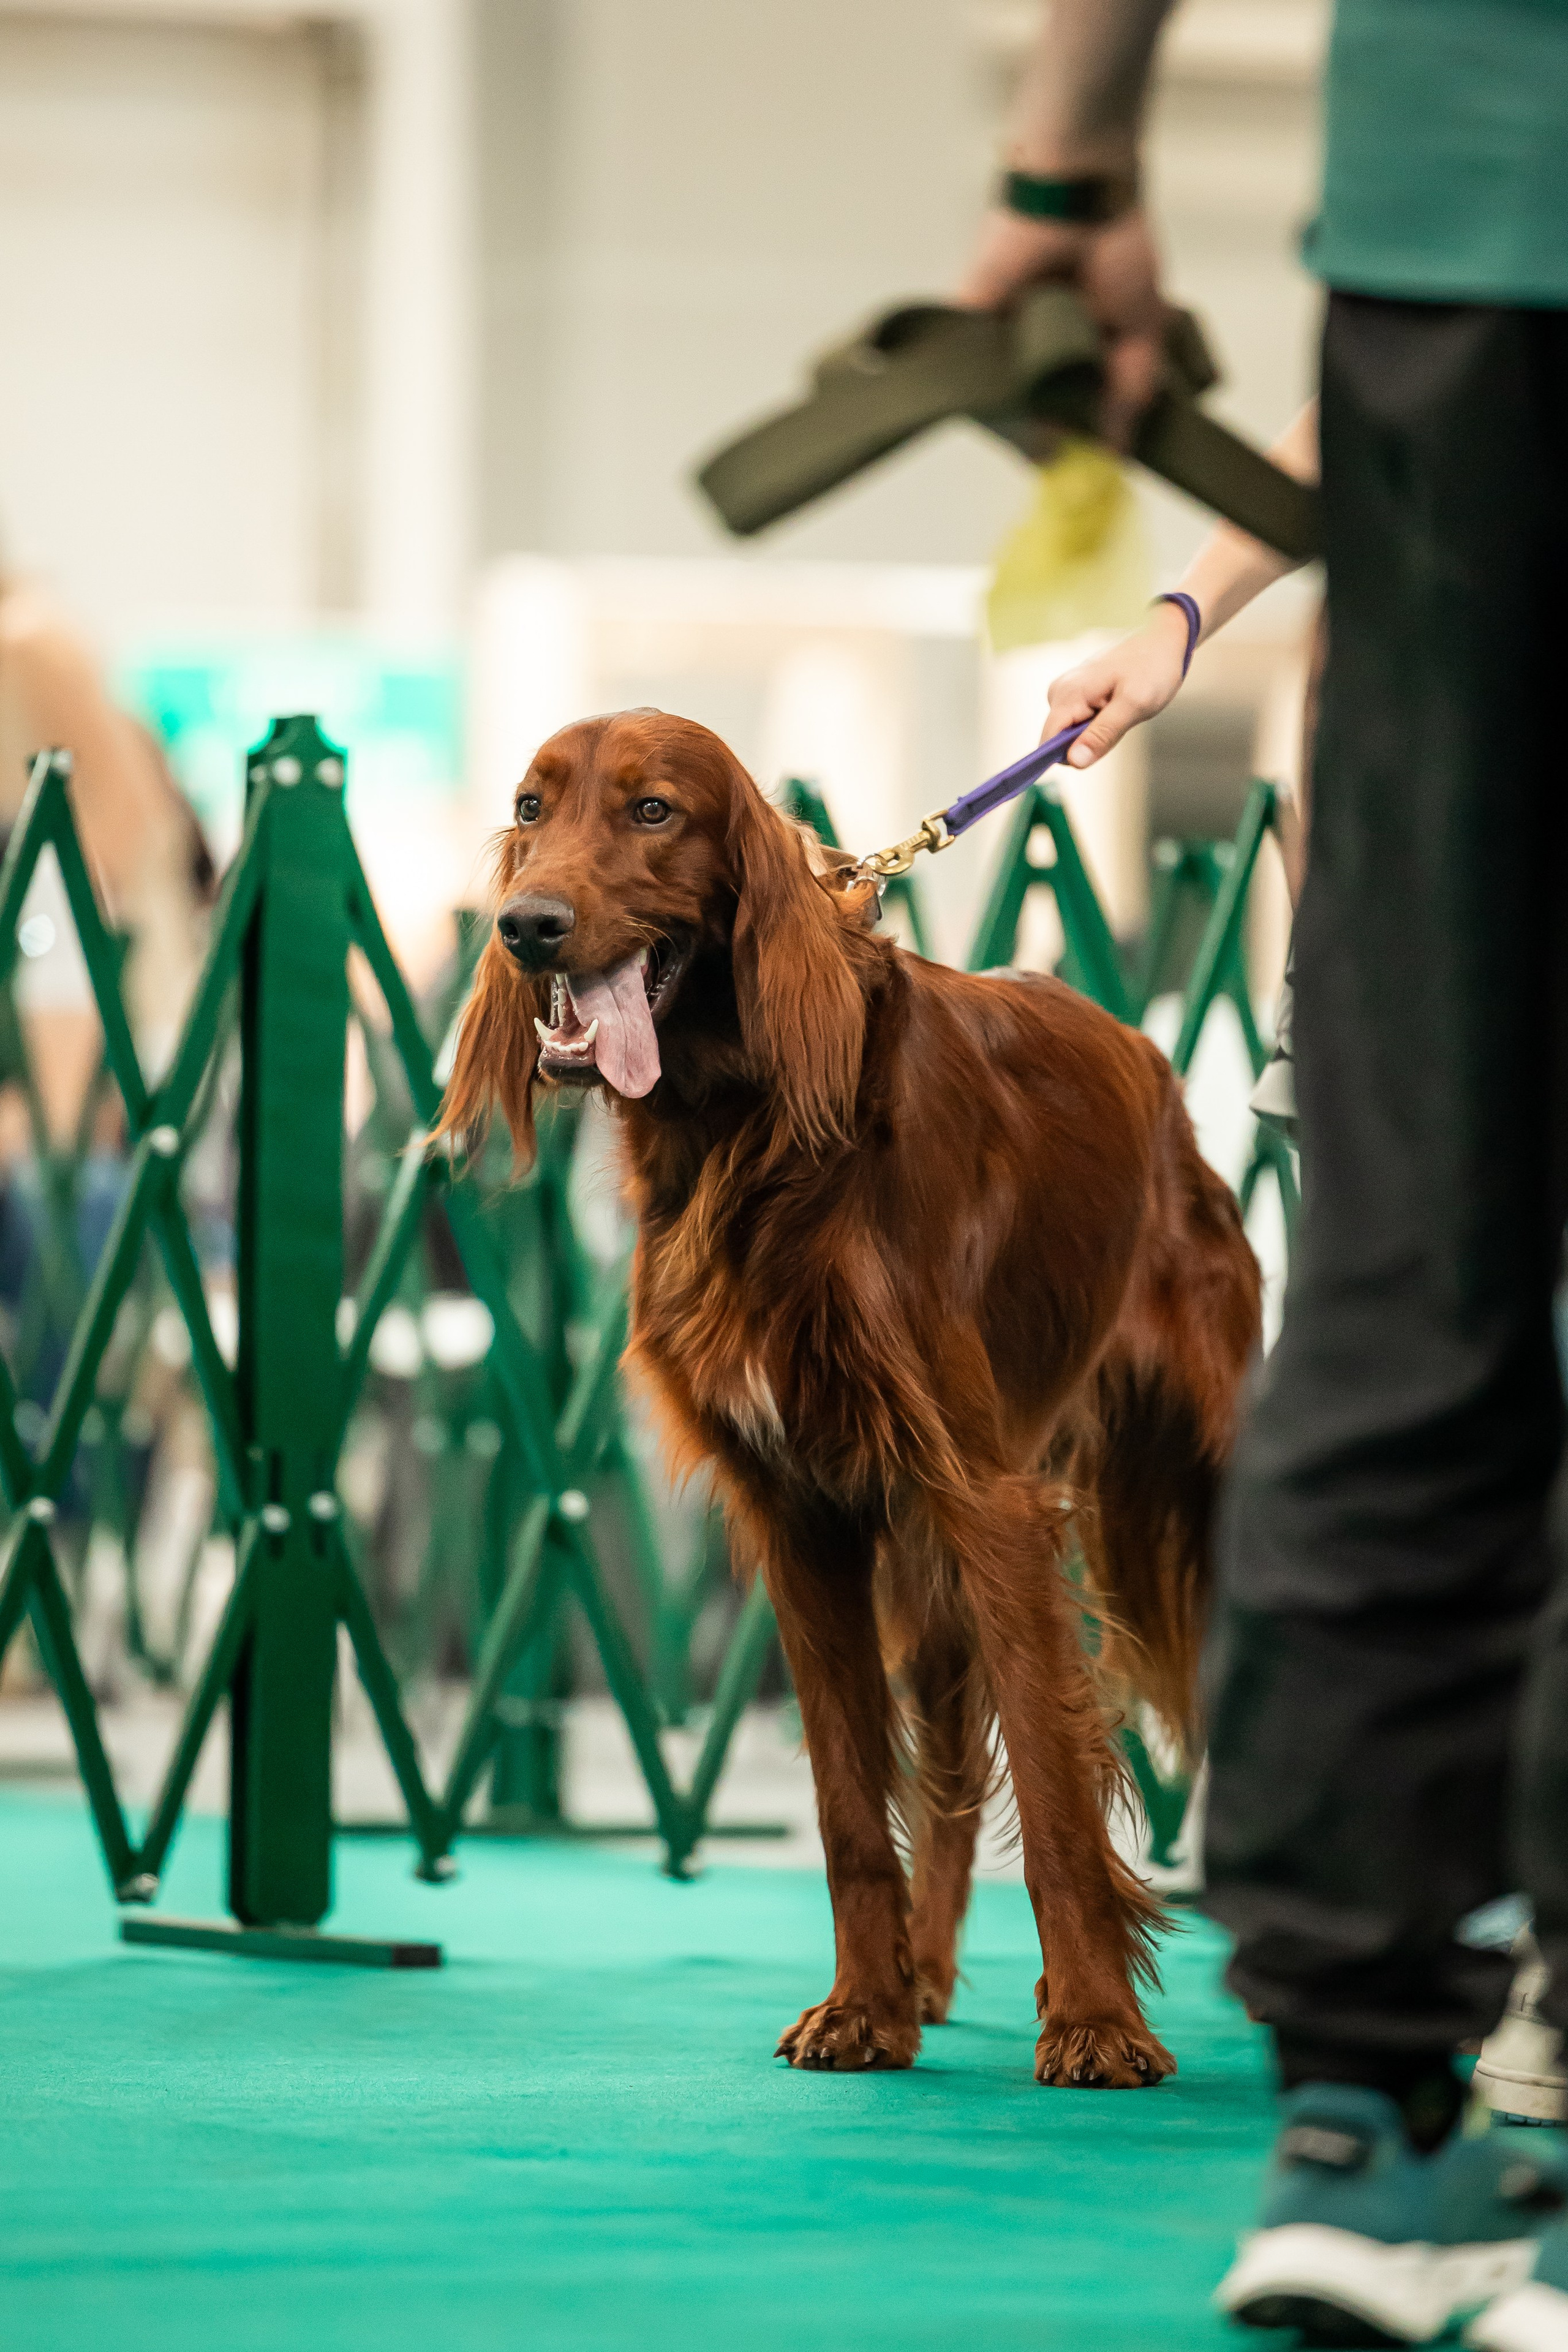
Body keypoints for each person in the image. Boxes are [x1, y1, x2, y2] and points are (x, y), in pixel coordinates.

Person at [957, 4, 1568, 2346]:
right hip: (1432, 298)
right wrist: (1187, 613)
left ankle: (1353, 2106)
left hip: (1446, 245)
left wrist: (1059, 163)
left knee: (1404, 1274)